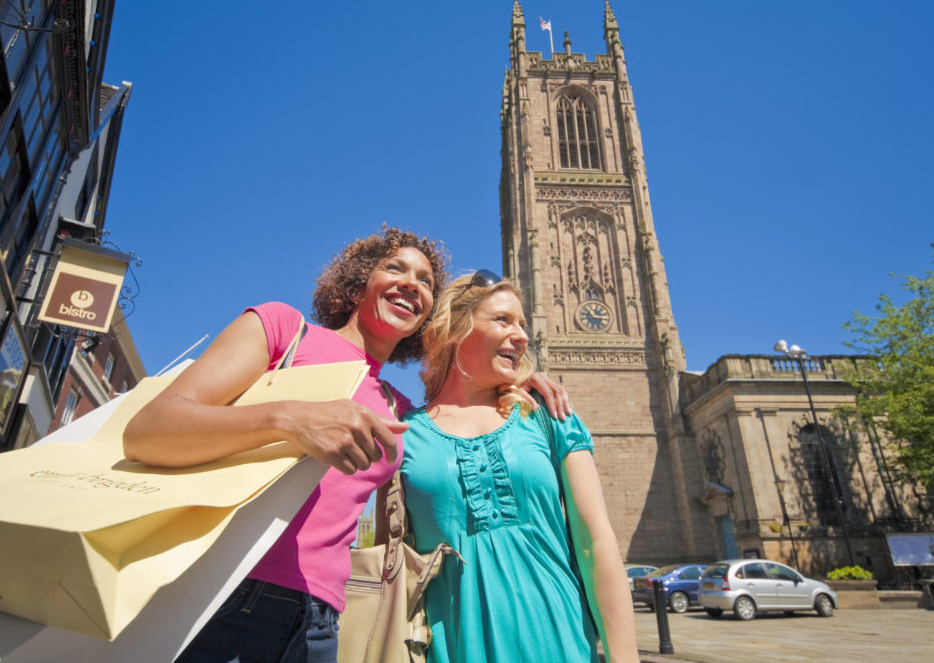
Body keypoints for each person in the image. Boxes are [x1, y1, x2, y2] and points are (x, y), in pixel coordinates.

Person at [123, 228, 571, 662]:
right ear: (359, 282)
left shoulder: (399, 411)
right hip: (226, 593)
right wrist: (289, 418)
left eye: (426, 281)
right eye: (396, 268)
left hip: (321, 622)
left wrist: (512, 378)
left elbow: (457, 419)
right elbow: (149, 430)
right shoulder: (285, 331)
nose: (411, 284)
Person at [399, 270, 638, 663]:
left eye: (523, 323)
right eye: (503, 320)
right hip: (455, 649)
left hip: (561, 643)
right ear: (455, 328)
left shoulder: (549, 415)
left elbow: (596, 542)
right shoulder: (404, 432)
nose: (522, 335)